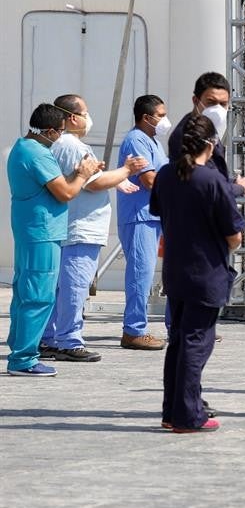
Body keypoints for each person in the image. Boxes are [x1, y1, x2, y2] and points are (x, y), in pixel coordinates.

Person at [150, 115, 245, 433]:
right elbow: (234, 235)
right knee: (196, 342)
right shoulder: (211, 180)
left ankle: (171, 410)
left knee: (178, 341)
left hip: (176, 269)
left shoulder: (165, 175)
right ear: (211, 144)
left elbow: (158, 211)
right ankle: (188, 414)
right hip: (206, 272)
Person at [40, 94, 148, 362]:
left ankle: (50, 338)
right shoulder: (72, 145)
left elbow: (94, 178)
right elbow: (94, 183)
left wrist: (114, 178)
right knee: (74, 288)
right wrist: (126, 170)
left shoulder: (66, 144)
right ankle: (68, 340)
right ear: (73, 117)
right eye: (85, 112)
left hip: (73, 228)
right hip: (80, 229)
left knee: (62, 288)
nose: (89, 118)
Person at [6, 104, 100, 376]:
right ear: (48, 131)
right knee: (39, 295)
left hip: (30, 230)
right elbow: (66, 193)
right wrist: (82, 174)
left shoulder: (23, 146)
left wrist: (79, 173)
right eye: (59, 132)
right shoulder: (39, 155)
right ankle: (24, 359)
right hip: (42, 232)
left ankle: (20, 346)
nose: (61, 136)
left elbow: (55, 185)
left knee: (25, 292)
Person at [116, 95, 170, 350]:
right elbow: (149, 180)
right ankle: (134, 330)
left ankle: (177, 325)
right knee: (141, 274)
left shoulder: (153, 142)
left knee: (152, 273)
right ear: (146, 117)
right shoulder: (136, 140)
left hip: (154, 215)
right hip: (140, 216)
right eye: (161, 115)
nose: (164, 119)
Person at [167, 71, 245, 197]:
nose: (218, 109)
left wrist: (237, 182)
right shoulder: (187, 136)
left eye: (223, 104)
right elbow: (202, 186)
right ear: (195, 100)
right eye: (211, 102)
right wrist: (240, 188)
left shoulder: (208, 129)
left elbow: (212, 177)